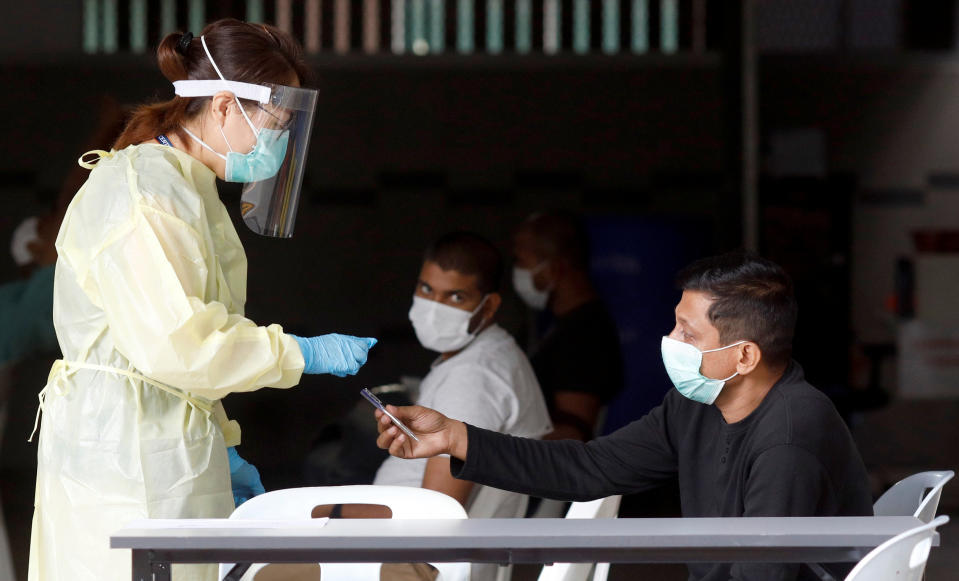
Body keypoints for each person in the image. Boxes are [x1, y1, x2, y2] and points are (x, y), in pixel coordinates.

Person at [29, 19, 376, 581]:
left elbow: (177, 352)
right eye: (276, 124)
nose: (280, 142)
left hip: (161, 447)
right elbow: (180, 345)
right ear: (222, 106)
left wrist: (222, 445)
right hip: (128, 466)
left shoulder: (187, 185)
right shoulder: (148, 190)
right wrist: (300, 354)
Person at [376, 252, 874, 581]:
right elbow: (588, 468)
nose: (671, 342)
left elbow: (762, 574)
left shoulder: (789, 435)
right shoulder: (696, 405)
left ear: (743, 357)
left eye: (688, 333)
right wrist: (456, 438)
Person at [322, 232, 551, 581]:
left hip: (411, 562)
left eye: (455, 296)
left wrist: (333, 514)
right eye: (427, 290)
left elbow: (437, 516)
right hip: (399, 548)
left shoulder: (474, 378)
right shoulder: (484, 356)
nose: (435, 307)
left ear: (488, 307)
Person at [512, 211, 624, 441]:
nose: (517, 272)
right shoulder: (563, 326)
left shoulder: (585, 335)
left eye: (522, 261)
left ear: (554, 268)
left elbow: (572, 431)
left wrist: (492, 449)